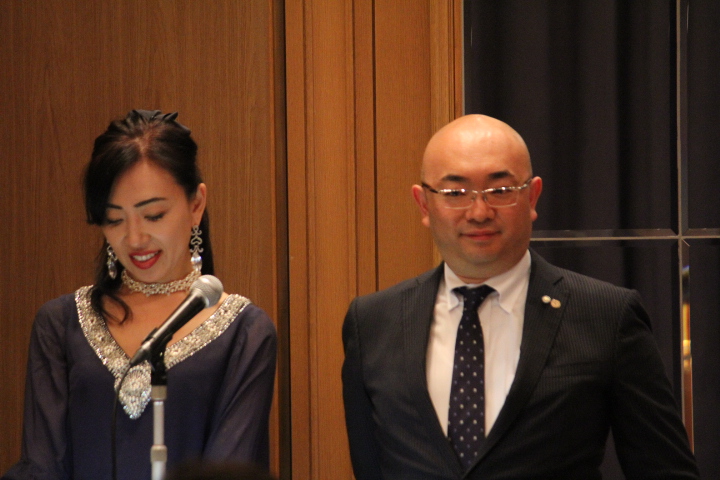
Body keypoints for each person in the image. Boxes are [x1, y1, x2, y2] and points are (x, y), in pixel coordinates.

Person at [341, 114, 699, 479]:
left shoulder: (606, 316)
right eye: (455, 194)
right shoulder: (372, 323)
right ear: (423, 205)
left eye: (500, 191)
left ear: (532, 196)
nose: (479, 212)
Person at [3, 110, 277, 480]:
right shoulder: (62, 323)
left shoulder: (245, 332)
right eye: (114, 219)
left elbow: (230, 467)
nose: (134, 239)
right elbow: (42, 466)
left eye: (154, 215)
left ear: (196, 204)